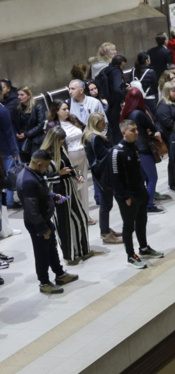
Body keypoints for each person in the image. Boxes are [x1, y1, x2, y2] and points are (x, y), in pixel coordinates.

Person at [20, 150, 80, 293]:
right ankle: (44, 283)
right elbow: (32, 210)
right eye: (46, 166)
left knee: (51, 248)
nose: (47, 169)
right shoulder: (28, 180)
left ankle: (59, 274)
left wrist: (52, 196)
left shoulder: (34, 174)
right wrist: (42, 229)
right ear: (39, 163)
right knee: (41, 253)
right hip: (37, 223)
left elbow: (40, 193)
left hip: (44, 219)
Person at [110, 120, 163, 267]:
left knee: (141, 222)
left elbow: (138, 171)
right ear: (123, 133)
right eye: (133, 130)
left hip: (139, 192)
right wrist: (125, 197)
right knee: (128, 226)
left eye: (136, 129)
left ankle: (144, 248)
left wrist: (145, 191)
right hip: (127, 196)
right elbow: (115, 178)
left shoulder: (134, 147)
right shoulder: (117, 151)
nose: (136, 132)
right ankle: (130, 255)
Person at [40, 126, 91, 265]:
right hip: (58, 193)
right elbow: (40, 179)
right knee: (64, 224)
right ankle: (70, 255)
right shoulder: (43, 155)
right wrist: (58, 174)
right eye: (61, 141)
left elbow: (70, 166)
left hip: (70, 188)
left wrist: (78, 176)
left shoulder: (61, 149)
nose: (63, 144)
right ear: (54, 140)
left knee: (80, 218)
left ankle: (83, 250)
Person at [83, 113, 121, 245]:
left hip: (98, 174)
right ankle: (105, 233)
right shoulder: (96, 138)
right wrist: (115, 149)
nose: (105, 125)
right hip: (103, 175)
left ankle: (106, 230)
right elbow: (104, 155)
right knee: (106, 204)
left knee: (106, 204)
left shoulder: (89, 136)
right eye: (102, 122)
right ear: (96, 123)